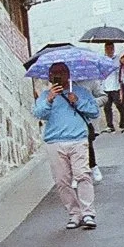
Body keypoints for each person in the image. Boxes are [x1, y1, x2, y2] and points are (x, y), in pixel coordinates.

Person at [33, 61, 100, 229]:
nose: (58, 76)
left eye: (62, 72)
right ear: (49, 77)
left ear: (68, 75)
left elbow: (94, 111)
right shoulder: (45, 95)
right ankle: (74, 214)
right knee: (62, 181)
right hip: (55, 141)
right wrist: (49, 99)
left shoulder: (81, 92)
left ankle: (88, 213)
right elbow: (38, 113)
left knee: (83, 175)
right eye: (54, 73)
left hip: (78, 139)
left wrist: (77, 101)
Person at [100, 41, 124, 132]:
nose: (109, 50)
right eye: (107, 48)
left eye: (111, 48)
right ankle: (110, 126)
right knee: (107, 107)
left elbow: (121, 70)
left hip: (115, 86)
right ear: (105, 49)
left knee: (119, 105)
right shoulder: (101, 59)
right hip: (105, 87)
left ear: (113, 49)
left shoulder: (118, 59)